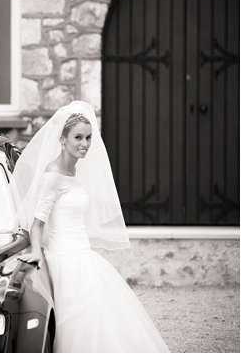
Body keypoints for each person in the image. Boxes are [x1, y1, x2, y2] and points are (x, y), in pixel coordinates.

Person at [14, 100, 169, 353]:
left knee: (106, 319)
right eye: (77, 137)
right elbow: (37, 224)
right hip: (64, 260)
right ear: (62, 139)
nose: (84, 144)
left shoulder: (75, 172)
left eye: (88, 137)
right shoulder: (52, 176)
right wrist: (36, 254)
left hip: (83, 255)